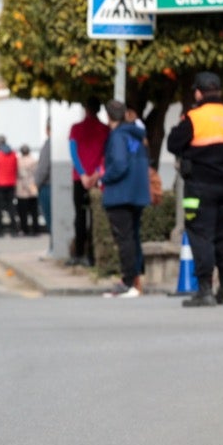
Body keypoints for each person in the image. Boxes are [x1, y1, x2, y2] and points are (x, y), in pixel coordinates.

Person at [165, 71, 223, 307]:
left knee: (201, 235)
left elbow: (173, 144)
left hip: (201, 186)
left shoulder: (194, 117)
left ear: (198, 92)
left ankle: (205, 290)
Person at [99, 100, 151, 298]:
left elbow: (120, 164)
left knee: (124, 239)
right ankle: (135, 280)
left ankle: (128, 281)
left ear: (108, 116)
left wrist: (104, 178)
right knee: (133, 237)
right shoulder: (136, 136)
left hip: (120, 194)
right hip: (137, 192)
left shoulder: (118, 136)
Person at [68, 99, 109, 266]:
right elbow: (106, 156)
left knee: (79, 216)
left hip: (79, 179)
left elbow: (73, 152)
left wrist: (83, 174)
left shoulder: (76, 128)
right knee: (95, 217)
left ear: (86, 109)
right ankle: (92, 256)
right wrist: (96, 174)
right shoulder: (106, 130)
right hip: (97, 180)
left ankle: (79, 254)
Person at [0, 135, 20, 236]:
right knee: (11, 207)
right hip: (11, 184)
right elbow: (16, 168)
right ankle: (14, 230)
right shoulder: (13, 155)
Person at [15, 144, 40, 235]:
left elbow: (21, 175)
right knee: (34, 212)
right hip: (33, 188)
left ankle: (25, 229)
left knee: (23, 212)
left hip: (22, 190)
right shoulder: (34, 161)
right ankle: (36, 230)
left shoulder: (19, 161)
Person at [37, 121, 53, 250]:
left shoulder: (48, 145)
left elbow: (43, 168)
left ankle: (54, 247)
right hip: (52, 185)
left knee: (50, 218)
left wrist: (36, 184)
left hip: (47, 187)